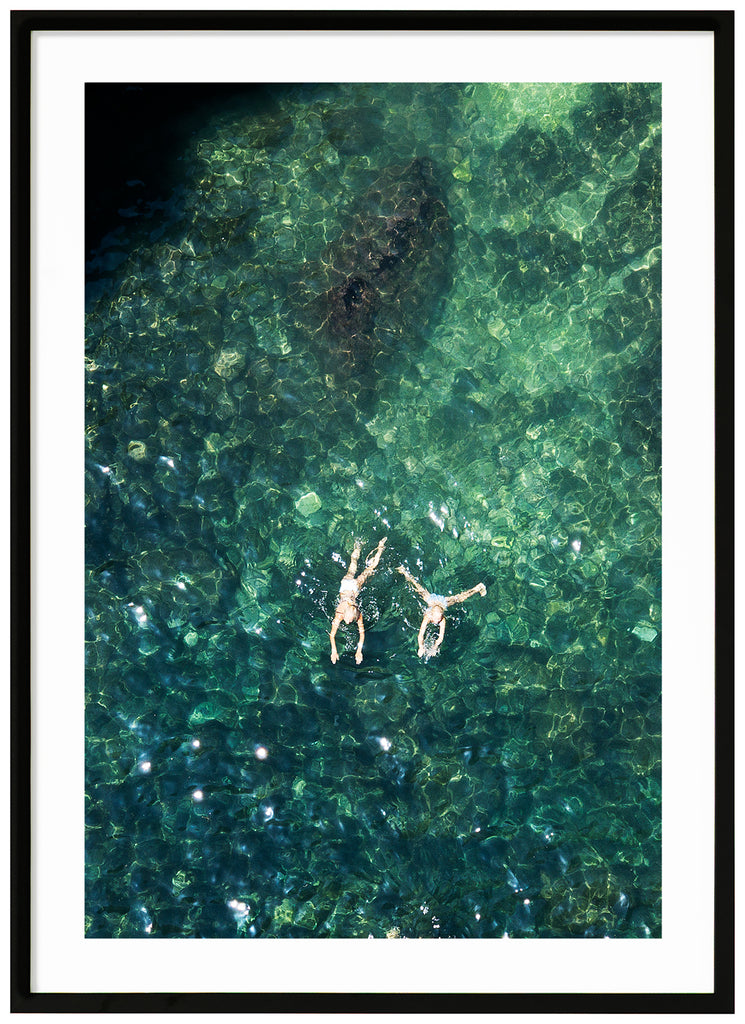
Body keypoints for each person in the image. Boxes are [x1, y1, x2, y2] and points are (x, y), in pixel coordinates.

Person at [397, 565, 486, 658]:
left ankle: (478, 588)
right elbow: (421, 634)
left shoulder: (441, 619)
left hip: (443, 602)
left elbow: (440, 637)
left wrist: (435, 647)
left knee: (459, 598)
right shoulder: (427, 617)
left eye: (439, 619)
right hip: (431, 600)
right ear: (432, 615)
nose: (437, 622)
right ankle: (404, 571)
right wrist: (421, 647)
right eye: (437, 619)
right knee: (418, 588)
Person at [330, 537, 387, 664]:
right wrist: (335, 650)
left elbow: (335, 634)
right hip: (347, 587)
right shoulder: (345, 614)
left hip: (351, 586)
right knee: (362, 567)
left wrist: (359, 650)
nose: (348, 622)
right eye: (349, 620)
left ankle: (368, 547)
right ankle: (369, 546)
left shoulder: (344, 615)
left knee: (364, 567)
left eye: (349, 620)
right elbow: (335, 635)